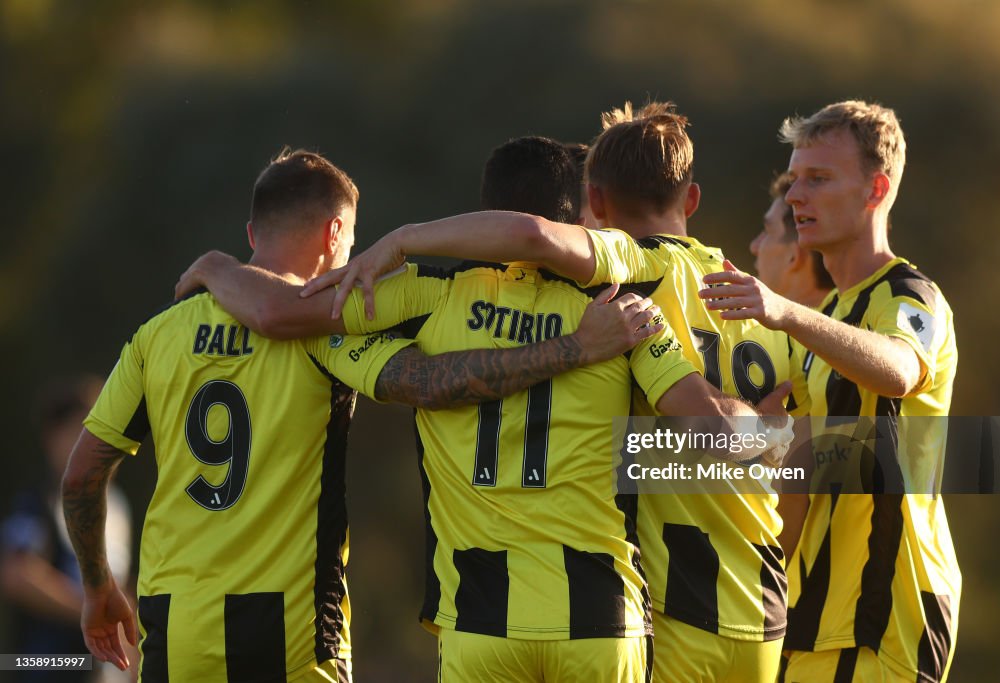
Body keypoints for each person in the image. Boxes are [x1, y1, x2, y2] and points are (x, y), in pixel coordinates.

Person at [178, 136, 791, 683]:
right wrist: (773, 437)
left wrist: (217, 266)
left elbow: (280, 312)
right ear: (579, 217)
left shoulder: (425, 294)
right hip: (610, 620)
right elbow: (714, 434)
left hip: (479, 622)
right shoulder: (620, 312)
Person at [61, 149, 664, 683]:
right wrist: (572, 349)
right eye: (352, 242)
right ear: (335, 231)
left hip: (176, 620)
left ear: (252, 229)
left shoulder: (157, 336)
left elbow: (82, 478)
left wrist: (97, 587)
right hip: (294, 625)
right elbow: (430, 383)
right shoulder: (327, 333)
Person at [700, 101, 959, 683]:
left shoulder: (912, 295)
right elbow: (797, 465)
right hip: (812, 613)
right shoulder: (837, 310)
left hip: (886, 611)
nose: (796, 197)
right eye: (794, 180)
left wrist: (785, 312)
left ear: (876, 189)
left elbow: (897, 368)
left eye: (818, 179)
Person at [1, 376, 133, 683]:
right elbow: (17, 574)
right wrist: (91, 606)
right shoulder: (37, 503)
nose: (96, 444)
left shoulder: (119, 508)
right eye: (80, 432)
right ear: (52, 438)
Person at [750, 172, 834, 310]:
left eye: (768, 231)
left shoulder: (755, 329)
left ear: (793, 257)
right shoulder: (863, 320)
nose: (754, 247)